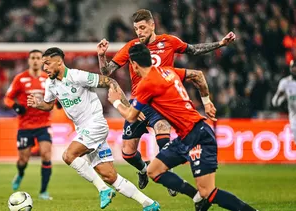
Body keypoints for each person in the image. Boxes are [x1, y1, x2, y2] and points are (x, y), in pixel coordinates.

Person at [96, 9, 236, 194]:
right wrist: (101, 55)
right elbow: (107, 72)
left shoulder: (169, 41)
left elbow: (193, 50)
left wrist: (220, 44)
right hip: (138, 102)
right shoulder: (132, 47)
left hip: (161, 102)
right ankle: (145, 170)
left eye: (143, 28)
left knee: (162, 130)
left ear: (153, 25)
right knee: (128, 153)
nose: (140, 32)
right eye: (137, 29)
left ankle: (168, 177)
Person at [108, 43, 258, 211]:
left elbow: (130, 115)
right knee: (154, 170)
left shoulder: (147, 83)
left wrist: (115, 100)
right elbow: (197, 76)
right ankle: (196, 197)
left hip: (197, 135)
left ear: (134, 64)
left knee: (208, 192)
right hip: (185, 135)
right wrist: (207, 102)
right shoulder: (168, 71)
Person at [27, 47, 160, 211]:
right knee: (110, 176)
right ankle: (149, 203)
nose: (44, 68)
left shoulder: (78, 76)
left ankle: (103, 190)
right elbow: (49, 105)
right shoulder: (51, 83)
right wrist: (38, 104)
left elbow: (111, 81)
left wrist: (128, 106)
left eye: (47, 63)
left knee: (69, 155)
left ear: (59, 62)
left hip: (96, 124)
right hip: (83, 130)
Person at [4, 50, 53, 200]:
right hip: (25, 126)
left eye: (39, 58)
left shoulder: (48, 79)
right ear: (29, 61)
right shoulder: (20, 79)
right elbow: (8, 98)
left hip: (43, 125)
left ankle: (43, 191)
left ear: (43, 61)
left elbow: (56, 97)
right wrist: (16, 106)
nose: (36, 61)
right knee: (23, 160)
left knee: (46, 154)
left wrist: (57, 104)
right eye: (33, 58)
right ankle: (20, 173)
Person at [272, 60, 296, 142]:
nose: (295, 69)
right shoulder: (285, 82)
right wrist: (279, 95)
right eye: (293, 67)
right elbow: (275, 102)